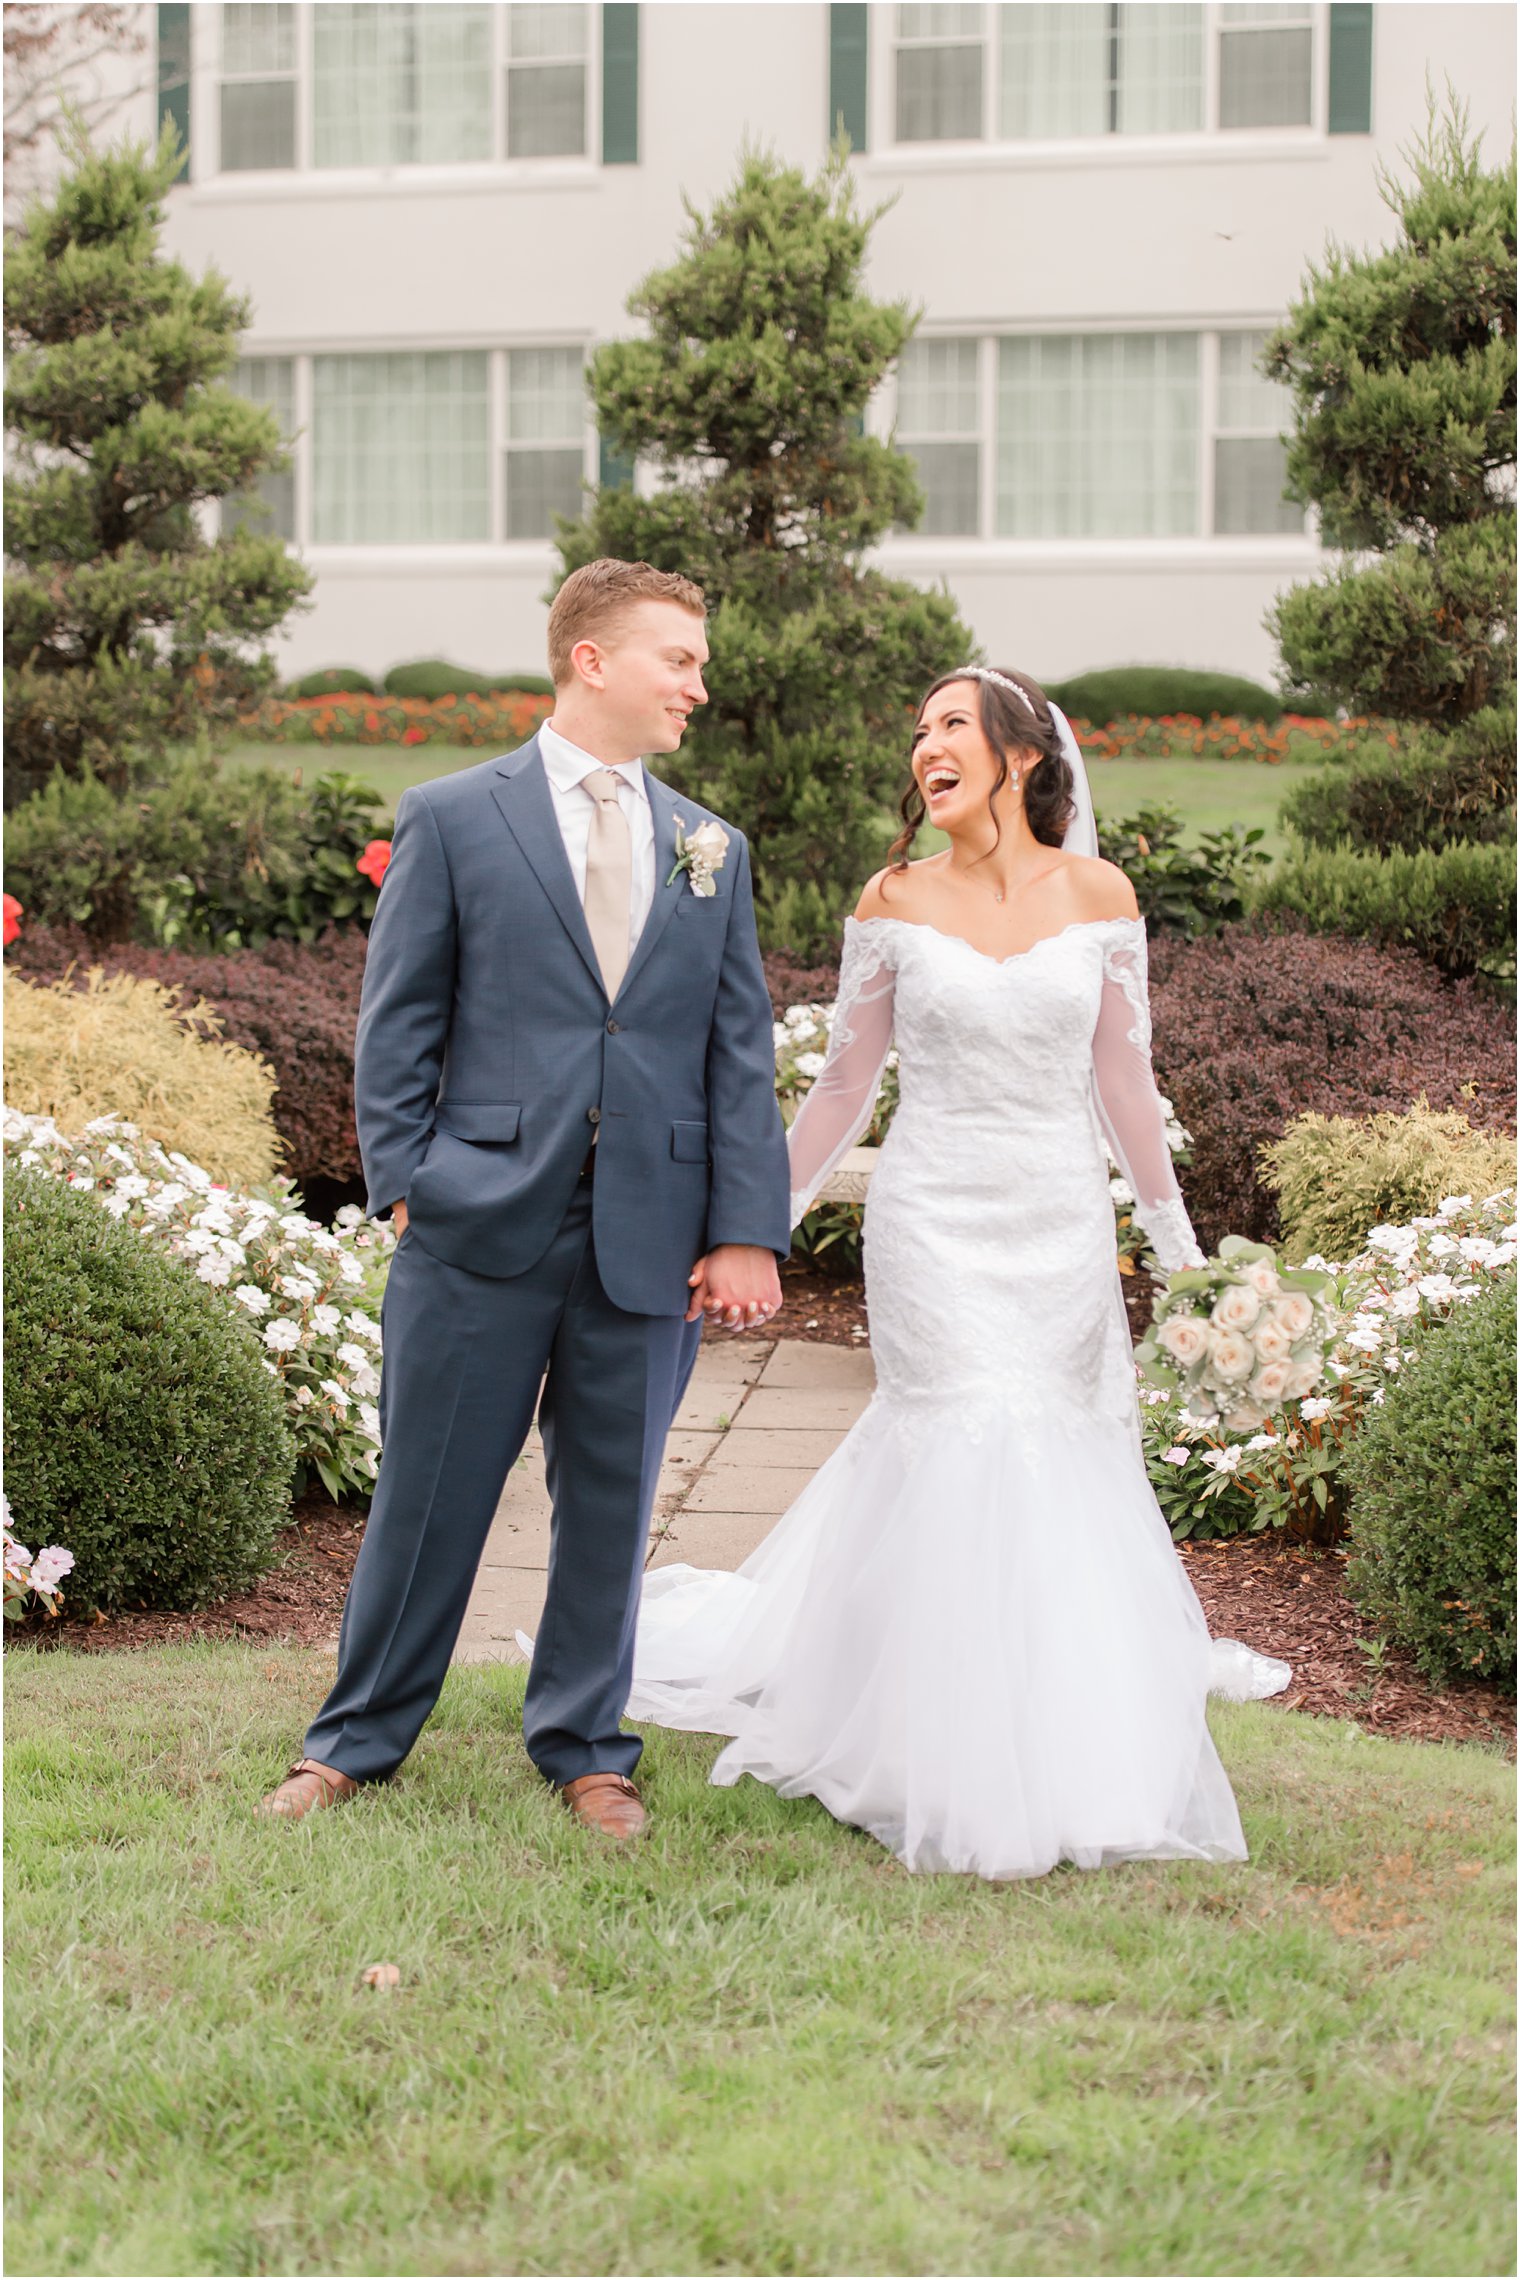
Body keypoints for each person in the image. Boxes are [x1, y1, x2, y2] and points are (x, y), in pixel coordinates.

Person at [628, 664, 1289, 1880]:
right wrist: (751, 1224)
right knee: (961, 1433)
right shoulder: (893, 897)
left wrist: (1178, 1248)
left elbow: (1123, 1085)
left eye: (949, 727)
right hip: (929, 1219)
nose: (922, 746)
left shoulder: (1099, 894)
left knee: (1050, 1445)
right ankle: (923, 1731)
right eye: (916, 731)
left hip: (1054, 1223)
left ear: (1021, 760)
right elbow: (841, 1086)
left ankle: (1059, 1721)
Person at [259, 559, 790, 1842]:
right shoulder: (453, 816)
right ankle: (353, 1743)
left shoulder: (709, 847)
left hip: (650, 1242)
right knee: (428, 1495)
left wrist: (740, 1229)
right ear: (591, 659)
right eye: (679, 659)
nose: (697, 688)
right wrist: (410, 1188)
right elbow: (397, 1027)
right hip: (476, 1223)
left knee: (610, 1505)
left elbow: (738, 1050)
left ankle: (585, 1747)